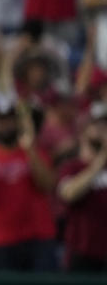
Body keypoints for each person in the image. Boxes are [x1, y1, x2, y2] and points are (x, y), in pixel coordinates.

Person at [0, 97, 58, 272]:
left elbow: (48, 184)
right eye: (0, 120)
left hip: (37, 237)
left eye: (10, 119)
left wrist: (30, 149)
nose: (5, 125)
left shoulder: (34, 152)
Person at [57, 105, 107, 272]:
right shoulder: (72, 167)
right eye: (97, 127)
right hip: (82, 253)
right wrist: (100, 160)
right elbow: (69, 194)